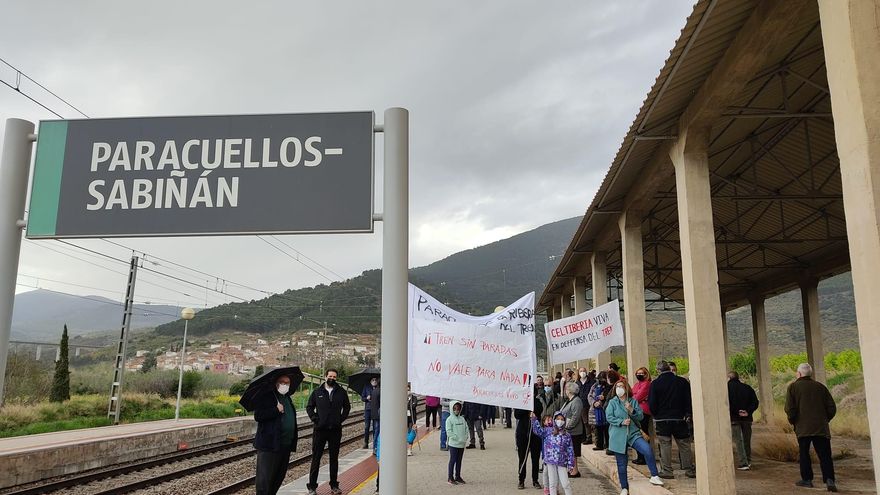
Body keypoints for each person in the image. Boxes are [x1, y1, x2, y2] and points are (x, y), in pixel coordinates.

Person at [606, 378, 665, 494]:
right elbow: (609, 417)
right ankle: (624, 487)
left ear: (626, 388)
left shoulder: (632, 401)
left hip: (633, 433)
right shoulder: (613, 402)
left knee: (647, 449)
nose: (619, 389)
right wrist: (621, 422)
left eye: (621, 386)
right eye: (617, 387)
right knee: (622, 464)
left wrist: (631, 410)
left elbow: (641, 417)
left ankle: (654, 475)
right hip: (618, 435)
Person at [785, 363, 838, 492]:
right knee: (825, 455)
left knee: (804, 454)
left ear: (799, 374)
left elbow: (790, 408)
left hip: (803, 427)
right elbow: (832, 407)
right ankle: (829, 480)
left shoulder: (793, 387)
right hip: (821, 428)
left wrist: (794, 421)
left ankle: (807, 480)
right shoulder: (821, 387)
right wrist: (825, 420)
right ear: (810, 374)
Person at [305, 369, 351, 495]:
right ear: (325, 377)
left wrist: (340, 419)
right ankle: (312, 486)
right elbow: (309, 407)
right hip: (320, 430)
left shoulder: (341, 392)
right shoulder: (317, 392)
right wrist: (315, 419)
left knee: (334, 459)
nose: (332, 378)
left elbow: (347, 407)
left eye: (334, 377)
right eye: (330, 376)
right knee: (316, 458)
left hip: (335, 430)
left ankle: (334, 485)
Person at [648, 360, 695, 479]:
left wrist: (656, 415)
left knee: (665, 445)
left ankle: (667, 471)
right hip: (680, 418)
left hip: (662, 420)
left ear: (658, 370)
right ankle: (689, 469)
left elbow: (652, 403)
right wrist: (687, 413)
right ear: (669, 369)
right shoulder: (682, 382)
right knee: (684, 444)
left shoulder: (655, 384)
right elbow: (688, 399)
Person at [254, 374, 299, 495]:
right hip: (270, 444)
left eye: (287, 383)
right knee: (265, 480)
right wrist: (276, 410)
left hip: (285, 445)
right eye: (282, 382)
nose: (285, 385)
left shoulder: (287, 398)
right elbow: (258, 415)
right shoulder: (267, 396)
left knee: (278, 477)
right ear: (276, 383)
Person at [531, 411, 575, 495]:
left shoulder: (567, 435)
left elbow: (570, 450)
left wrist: (571, 464)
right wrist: (534, 419)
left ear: (565, 421)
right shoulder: (548, 431)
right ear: (554, 420)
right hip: (550, 461)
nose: (560, 421)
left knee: (566, 484)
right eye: (558, 419)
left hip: (562, 462)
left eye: (562, 419)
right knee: (552, 484)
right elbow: (538, 431)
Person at [727, 371, 759, 470]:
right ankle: (748, 461)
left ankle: (743, 463)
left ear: (729, 378)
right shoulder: (748, 388)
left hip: (734, 418)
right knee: (746, 440)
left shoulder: (726, 388)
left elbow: (727, 404)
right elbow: (755, 402)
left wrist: (737, 412)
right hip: (747, 418)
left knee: (738, 441)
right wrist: (747, 411)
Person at [558, 382, 584, 477]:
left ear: (569, 390)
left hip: (574, 431)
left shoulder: (576, 401)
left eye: (566, 389)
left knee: (574, 452)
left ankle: (575, 471)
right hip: (568, 431)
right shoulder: (569, 401)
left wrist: (567, 426)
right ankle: (571, 469)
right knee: (570, 452)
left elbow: (575, 417)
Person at [514, 406, 542, 489]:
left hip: (535, 433)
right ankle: (521, 480)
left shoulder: (537, 401)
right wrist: (527, 408)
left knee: (535, 458)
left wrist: (532, 408)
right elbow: (517, 414)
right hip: (522, 433)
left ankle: (535, 480)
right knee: (522, 457)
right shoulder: (521, 402)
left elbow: (540, 409)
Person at [631, 366, 653, 465]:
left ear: (646, 374)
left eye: (641, 373)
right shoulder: (637, 384)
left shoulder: (647, 384)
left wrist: (636, 396)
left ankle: (644, 457)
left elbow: (637, 397)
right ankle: (640, 456)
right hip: (636, 410)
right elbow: (631, 396)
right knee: (637, 434)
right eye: (638, 373)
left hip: (643, 411)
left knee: (643, 433)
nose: (639, 375)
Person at [446, 401, 469, 485]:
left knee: (459, 461)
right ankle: (450, 477)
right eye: (455, 409)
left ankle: (458, 476)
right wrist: (457, 438)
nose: (457, 410)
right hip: (453, 444)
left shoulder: (462, 419)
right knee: (453, 460)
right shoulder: (449, 420)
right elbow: (449, 432)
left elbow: (466, 428)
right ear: (452, 409)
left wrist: (465, 437)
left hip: (462, 444)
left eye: (458, 409)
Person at [589, 371, 610, 451]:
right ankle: (599, 444)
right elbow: (590, 396)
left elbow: (608, 397)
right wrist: (594, 403)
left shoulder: (608, 387)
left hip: (605, 409)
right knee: (598, 428)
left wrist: (601, 401)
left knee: (606, 428)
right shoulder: (594, 386)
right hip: (596, 409)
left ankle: (608, 445)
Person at [577, 368, 595, 445]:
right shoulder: (577, 382)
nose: (582, 372)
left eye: (584, 371)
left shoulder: (591, 381)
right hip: (581, 404)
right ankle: (587, 437)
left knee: (591, 421)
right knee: (585, 422)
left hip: (590, 404)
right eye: (581, 371)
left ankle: (592, 437)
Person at [362, 377, 378, 449]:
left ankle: (375, 443)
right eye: (373, 380)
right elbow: (362, 398)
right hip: (368, 409)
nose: (374, 381)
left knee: (375, 427)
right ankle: (366, 443)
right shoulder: (366, 387)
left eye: (375, 380)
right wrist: (366, 398)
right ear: (370, 381)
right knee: (366, 427)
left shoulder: (378, 388)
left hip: (375, 409)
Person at [368, 378, 381, 456]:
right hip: (379, 415)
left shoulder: (374, 391)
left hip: (374, 414)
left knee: (376, 431)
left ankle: (375, 447)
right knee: (378, 431)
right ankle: (376, 447)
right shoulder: (381, 391)